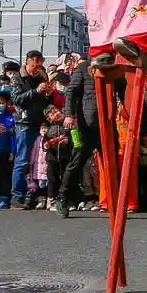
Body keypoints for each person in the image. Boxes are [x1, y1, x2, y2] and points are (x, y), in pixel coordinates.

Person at [10, 51, 53, 210]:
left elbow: (45, 100)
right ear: (27, 63)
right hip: (24, 122)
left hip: (39, 123)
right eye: (34, 66)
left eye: (39, 66)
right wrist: (36, 91)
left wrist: (48, 94)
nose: (37, 69)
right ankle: (16, 196)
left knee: (36, 162)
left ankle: (31, 195)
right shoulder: (17, 78)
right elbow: (17, 99)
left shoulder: (42, 76)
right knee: (22, 160)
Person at [58, 59, 100, 218]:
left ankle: (114, 199)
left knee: (113, 162)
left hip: (107, 124)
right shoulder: (83, 67)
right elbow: (71, 91)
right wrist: (69, 114)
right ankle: (63, 197)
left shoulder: (113, 67)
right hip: (86, 124)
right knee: (76, 162)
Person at [42, 105, 73, 211]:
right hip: (52, 157)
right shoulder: (48, 129)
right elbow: (44, 144)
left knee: (66, 178)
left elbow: (72, 139)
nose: (56, 114)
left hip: (65, 157)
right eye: (52, 114)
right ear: (48, 119)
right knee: (52, 179)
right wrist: (47, 145)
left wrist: (67, 141)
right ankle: (51, 200)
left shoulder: (67, 125)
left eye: (56, 111)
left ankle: (67, 200)